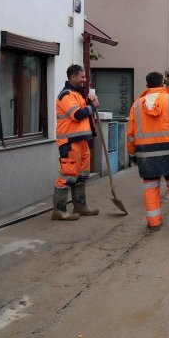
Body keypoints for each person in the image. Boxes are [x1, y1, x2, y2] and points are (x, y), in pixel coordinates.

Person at [127, 72, 169, 231]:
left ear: (147, 85)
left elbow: (130, 134)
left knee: (151, 188)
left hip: (146, 155)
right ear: (163, 83)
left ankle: (154, 222)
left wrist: (132, 154)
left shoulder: (136, 105)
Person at [53, 64, 100, 221]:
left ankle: (80, 206)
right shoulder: (66, 95)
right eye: (82, 77)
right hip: (69, 143)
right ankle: (59, 210)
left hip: (81, 142)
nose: (84, 80)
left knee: (81, 176)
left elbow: (84, 110)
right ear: (73, 77)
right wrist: (91, 107)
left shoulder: (78, 94)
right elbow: (78, 115)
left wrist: (89, 102)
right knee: (67, 176)